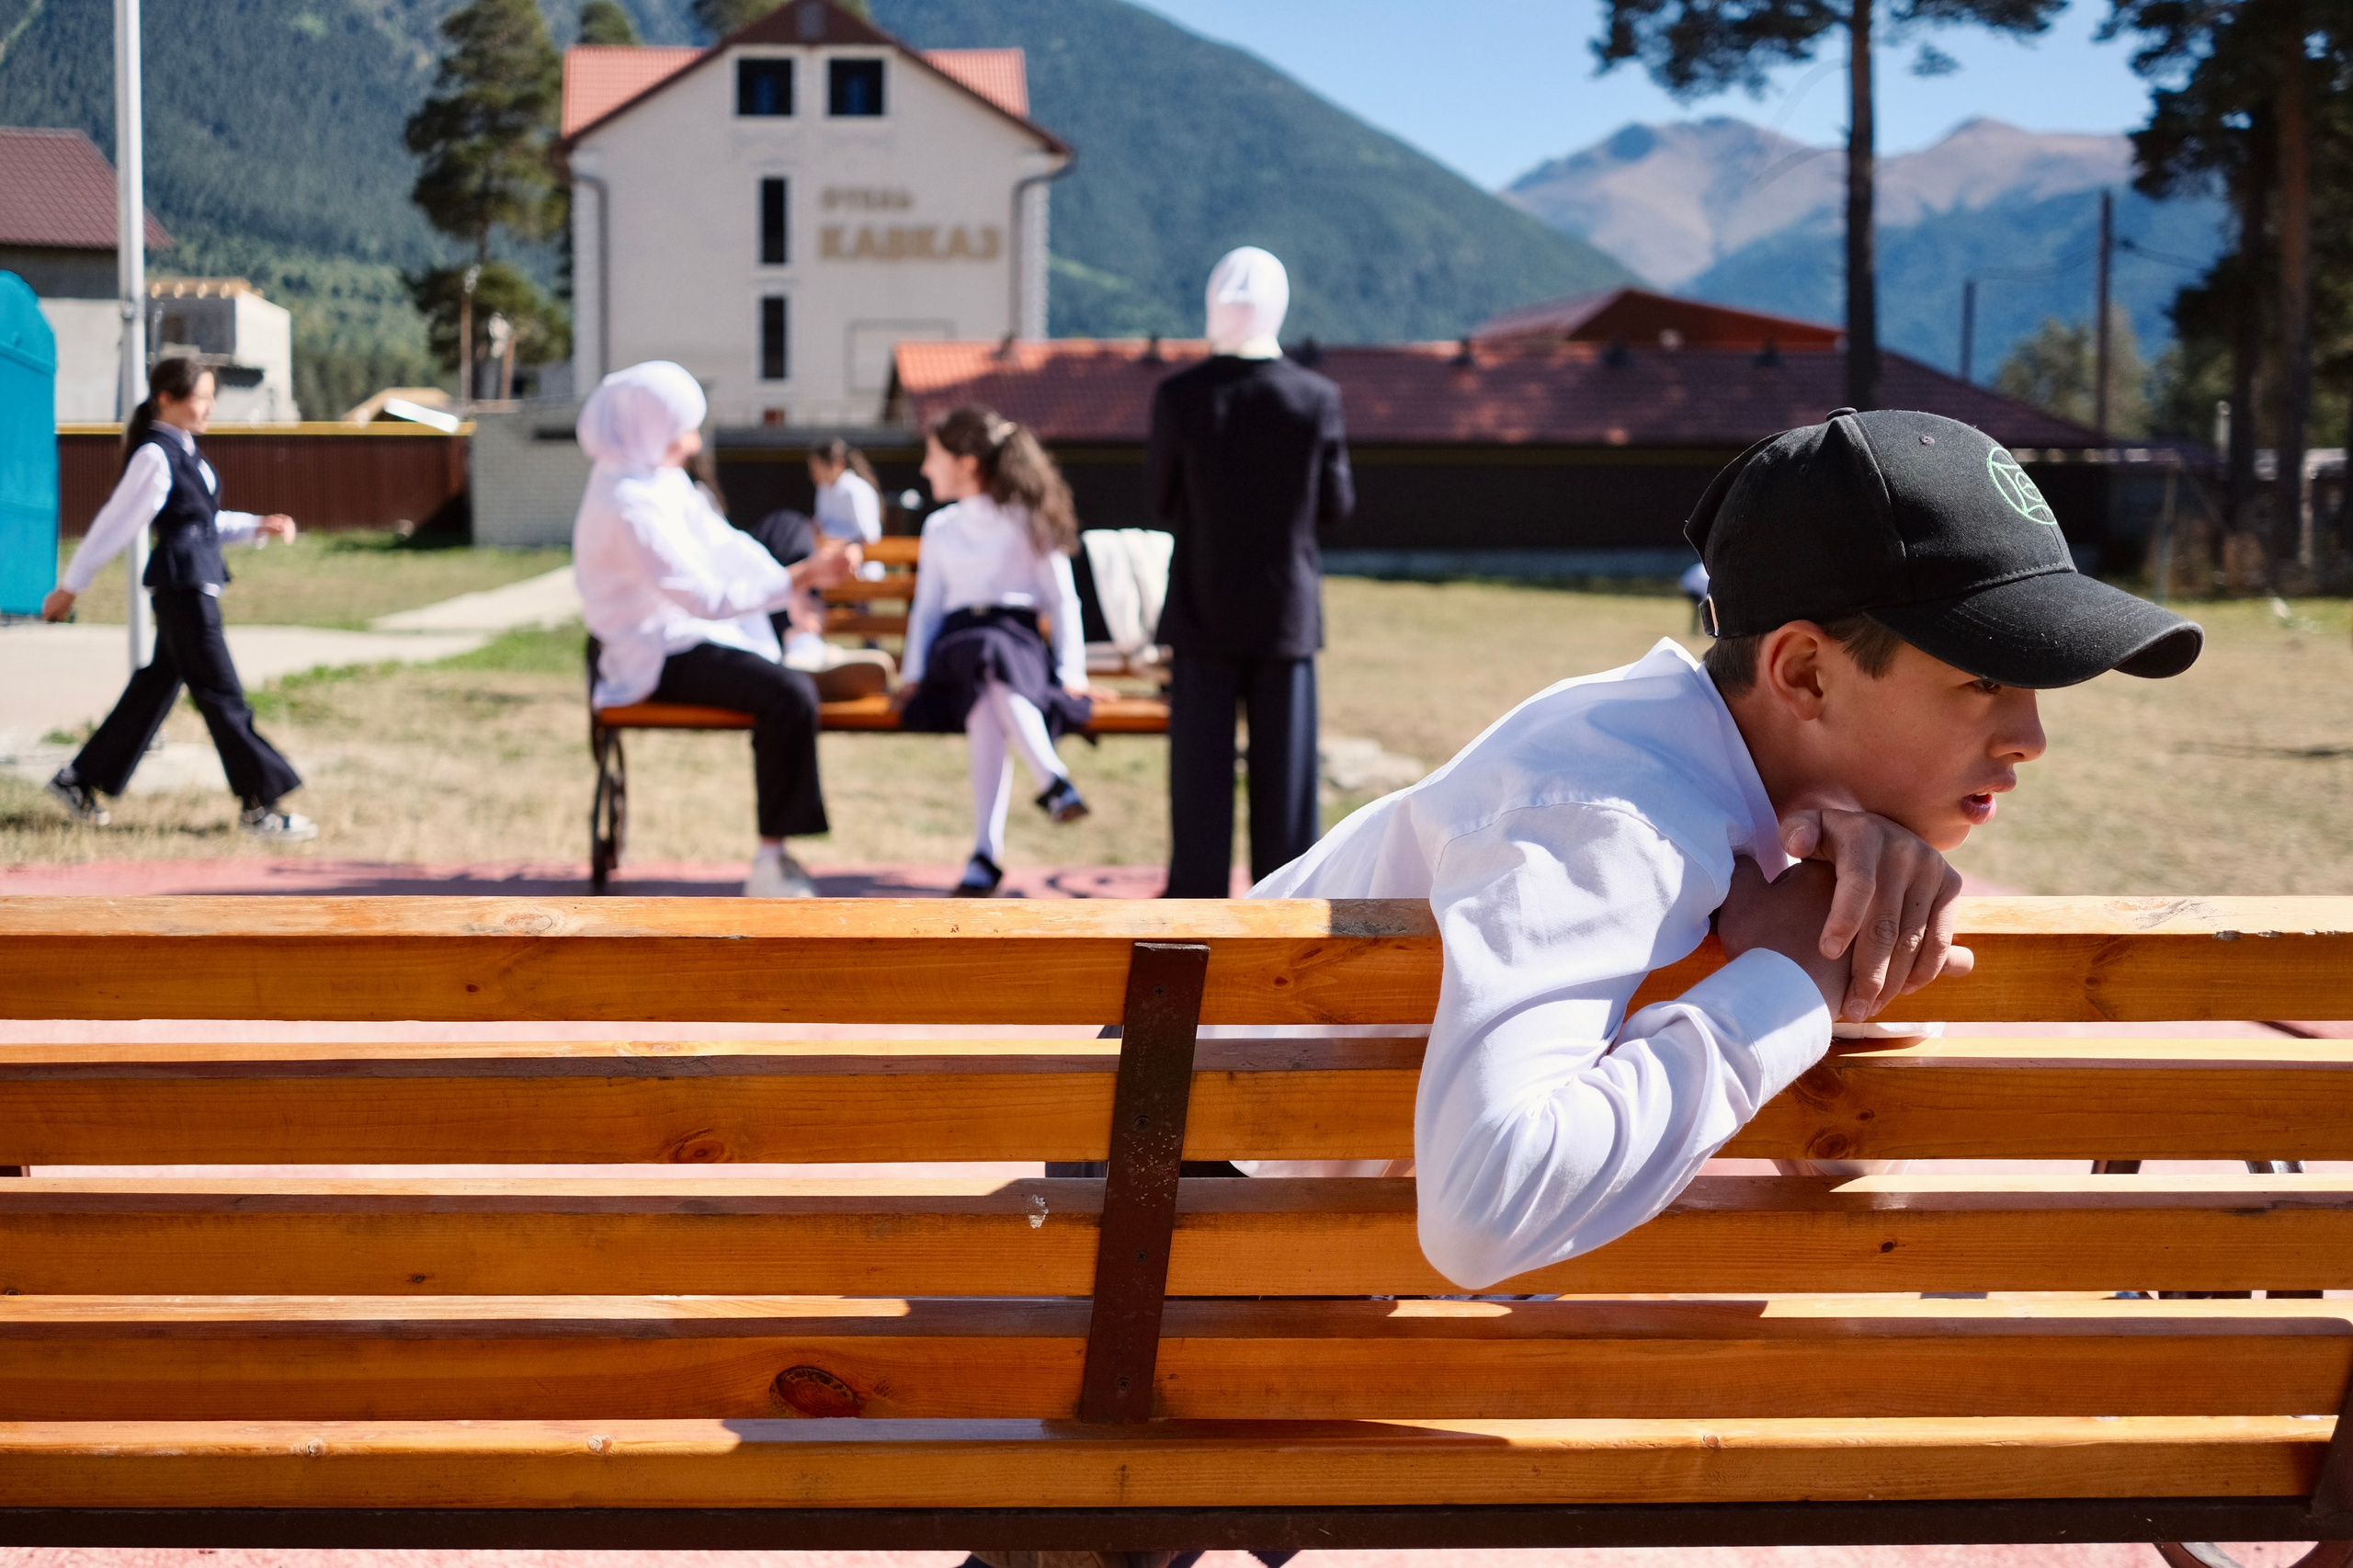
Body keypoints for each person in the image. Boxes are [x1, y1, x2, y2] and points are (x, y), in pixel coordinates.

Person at [1249, 408, 2205, 1290]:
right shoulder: (1606, 821)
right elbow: (1482, 1213)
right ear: (1802, 672)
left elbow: (1846, 1164)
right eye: (1985, 679)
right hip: (1180, 1254)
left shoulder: (1732, 781)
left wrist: (1844, 948)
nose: (2030, 737)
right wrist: (1787, 977)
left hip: (1266, 1252)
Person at [572, 361, 856, 898]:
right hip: (658, 651)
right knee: (790, 696)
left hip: (694, 628)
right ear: (649, 427)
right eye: (684, 428)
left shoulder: (657, 475)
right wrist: (798, 578)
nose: (695, 441)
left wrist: (793, 576)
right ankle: (771, 863)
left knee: (786, 530)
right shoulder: (627, 506)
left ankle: (802, 642)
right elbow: (702, 599)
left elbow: (725, 543)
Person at [1150, 245, 1354, 897]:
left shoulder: (1179, 396)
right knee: (1287, 786)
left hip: (1202, 603)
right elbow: (1337, 504)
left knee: (1199, 782)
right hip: (1284, 611)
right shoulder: (1315, 397)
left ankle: (1195, 911)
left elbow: (1157, 499)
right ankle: (1287, 908)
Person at [40, 356, 314, 841]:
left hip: (191, 585)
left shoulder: (184, 451)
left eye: (212, 397)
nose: (210, 407)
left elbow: (201, 524)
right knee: (223, 696)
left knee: (154, 691)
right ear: (167, 398)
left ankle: (78, 780)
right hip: (183, 591)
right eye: (201, 397)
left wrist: (257, 525)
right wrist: (71, 586)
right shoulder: (154, 455)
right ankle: (260, 808)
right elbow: (115, 523)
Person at [895, 405, 1102, 898]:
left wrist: (1072, 670)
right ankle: (1052, 781)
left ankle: (985, 854)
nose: (925, 469)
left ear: (967, 463)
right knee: (982, 657)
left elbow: (1061, 600)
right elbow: (927, 609)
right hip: (959, 648)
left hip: (1018, 646)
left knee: (989, 682)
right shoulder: (940, 527)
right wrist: (913, 671)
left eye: (933, 456)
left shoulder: (1028, 518)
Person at [808, 437, 882, 547]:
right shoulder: (823, 489)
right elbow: (820, 524)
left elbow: (868, 535)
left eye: (818, 467)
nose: (813, 473)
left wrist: (835, 540)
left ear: (837, 465)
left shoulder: (855, 490)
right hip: (832, 558)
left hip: (861, 560)